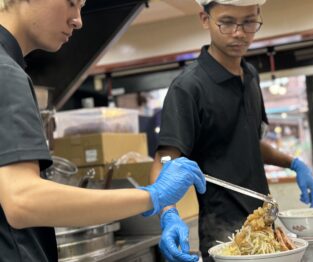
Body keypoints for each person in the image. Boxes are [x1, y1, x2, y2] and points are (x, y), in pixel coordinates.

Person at [0, 0, 206, 261]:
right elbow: (22, 200)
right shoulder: (6, 72)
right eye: (71, 3)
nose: (78, 20)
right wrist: (152, 195)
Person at [149, 0, 313, 261]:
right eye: (227, 22)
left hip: (265, 225)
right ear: (205, 19)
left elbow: (248, 140)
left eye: (249, 21)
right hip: (224, 236)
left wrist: (294, 163)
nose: (239, 33)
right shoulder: (188, 87)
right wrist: (168, 213)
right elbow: (166, 159)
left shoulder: (250, 76)